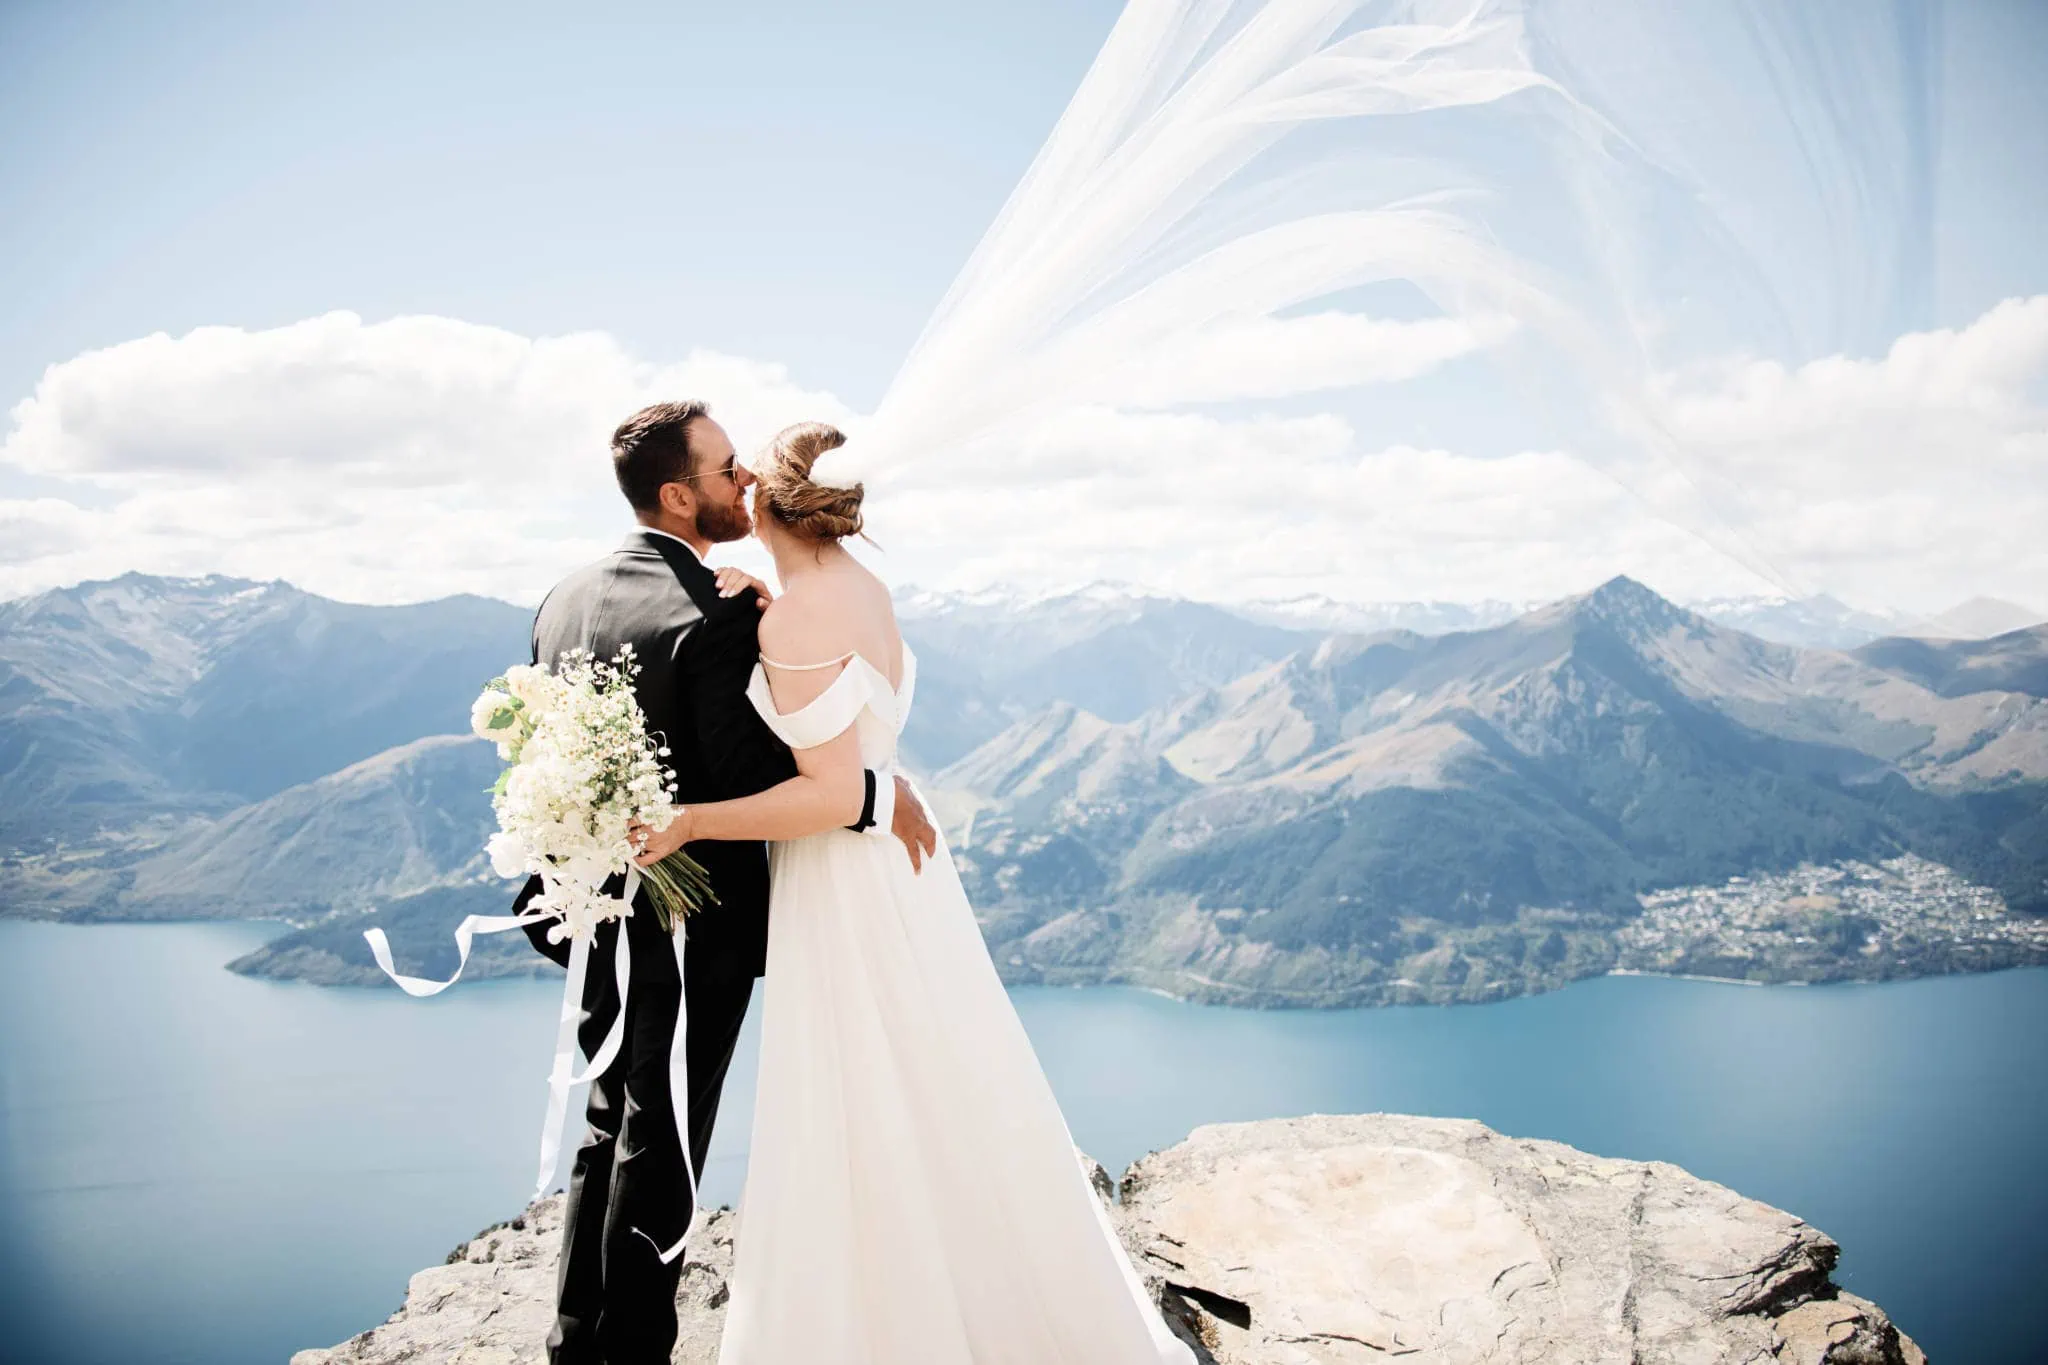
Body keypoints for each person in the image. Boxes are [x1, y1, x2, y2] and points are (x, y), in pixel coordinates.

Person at [631, 421, 1196, 1363]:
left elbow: (825, 794)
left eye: (745, 476)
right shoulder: (861, 588)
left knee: (854, 1089)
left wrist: (689, 822)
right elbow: (857, 741)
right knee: (933, 1074)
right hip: (899, 874)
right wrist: (771, 605)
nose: (737, 486)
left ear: (770, 503)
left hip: (839, 876)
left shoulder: (793, 618)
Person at [517, 401, 938, 1365]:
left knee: (608, 1115)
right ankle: (632, 1352)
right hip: (688, 918)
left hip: (594, 906)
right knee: (665, 1130)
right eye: (726, 468)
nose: (744, 480)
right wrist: (878, 790)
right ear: (679, 495)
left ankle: (576, 1340)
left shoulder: (562, 598)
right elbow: (759, 775)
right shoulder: (714, 618)